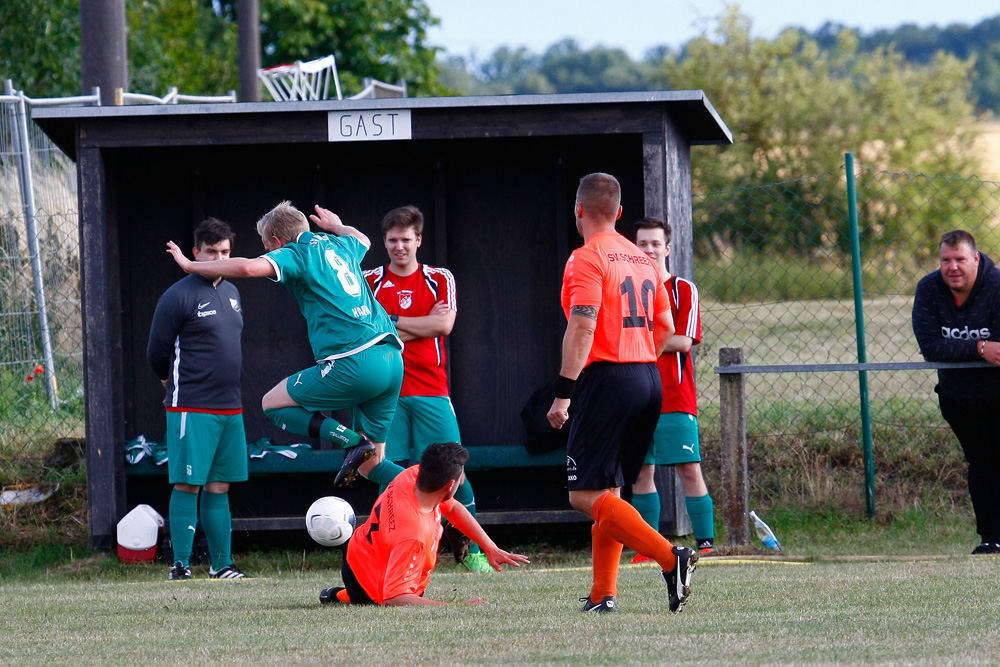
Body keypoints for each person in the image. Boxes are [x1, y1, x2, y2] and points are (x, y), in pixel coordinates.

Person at [165, 201, 403, 490]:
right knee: (372, 466)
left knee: (272, 404)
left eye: (268, 247)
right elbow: (363, 238)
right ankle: (442, 503)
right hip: (391, 358)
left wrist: (191, 265)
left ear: (277, 242)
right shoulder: (338, 243)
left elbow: (247, 267)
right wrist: (336, 225)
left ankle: (352, 442)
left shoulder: (297, 253)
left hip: (355, 361)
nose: (269, 253)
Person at [547, 172, 698, 615]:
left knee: (583, 495)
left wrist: (563, 393)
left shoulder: (586, 257)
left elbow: (583, 324)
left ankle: (671, 557)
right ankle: (602, 595)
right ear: (619, 212)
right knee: (609, 491)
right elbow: (666, 328)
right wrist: (638, 362)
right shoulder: (643, 259)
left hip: (608, 379)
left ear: (578, 210)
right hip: (648, 377)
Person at [362, 205, 489, 573]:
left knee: (456, 469)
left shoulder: (438, 277)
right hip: (385, 391)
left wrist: (393, 323)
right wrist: (421, 323)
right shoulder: (369, 280)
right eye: (392, 240)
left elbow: (444, 325)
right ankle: (392, 546)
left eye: (406, 240)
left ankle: (474, 548)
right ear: (384, 242)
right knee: (389, 472)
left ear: (419, 239)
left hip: (432, 388)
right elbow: (366, 332)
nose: (399, 247)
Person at [148, 218, 248, 580]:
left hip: (230, 406)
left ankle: (222, 564)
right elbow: (157, 349)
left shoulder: (234, 293)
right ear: (195, 253)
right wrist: (166, 377)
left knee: (220, 484)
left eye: (224, 252)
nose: (217, 258)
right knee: (188, 482)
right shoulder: (178, 295)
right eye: (210, 252)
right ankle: (180, 565)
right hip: (191, 405)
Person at [318, 442, 530, 606]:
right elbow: (395, 597)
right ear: (450, 485)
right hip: (371, 585)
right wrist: (457, 607)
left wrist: (489, 546)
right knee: (379, 595)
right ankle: (343, 595)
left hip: (358, 550)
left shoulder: (411, 476)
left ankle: (338, 594)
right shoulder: (415, 534)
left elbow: (453, 507)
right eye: (460, 478)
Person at [628, 218, 716, 562]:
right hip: (635, 396)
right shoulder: (626, 289)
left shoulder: (683, 289)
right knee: (639, 473)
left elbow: (682, 341)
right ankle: (648, 548)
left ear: (667, 248)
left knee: (689, 468)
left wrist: (637, 340)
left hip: (675, 396)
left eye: (655, 243)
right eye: (642, 243)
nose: (648, 249)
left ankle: (706, 543)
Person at [912, 229, 1000, 555]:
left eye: (960, 259)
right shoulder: (928, 290)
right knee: (981, 464)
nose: (952, 267)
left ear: (975, 259)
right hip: (958, 399)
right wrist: (979, 347)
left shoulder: (997, 287)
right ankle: (991, 539)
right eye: (945, 260)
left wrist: (967, 348)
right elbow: (931, 346)